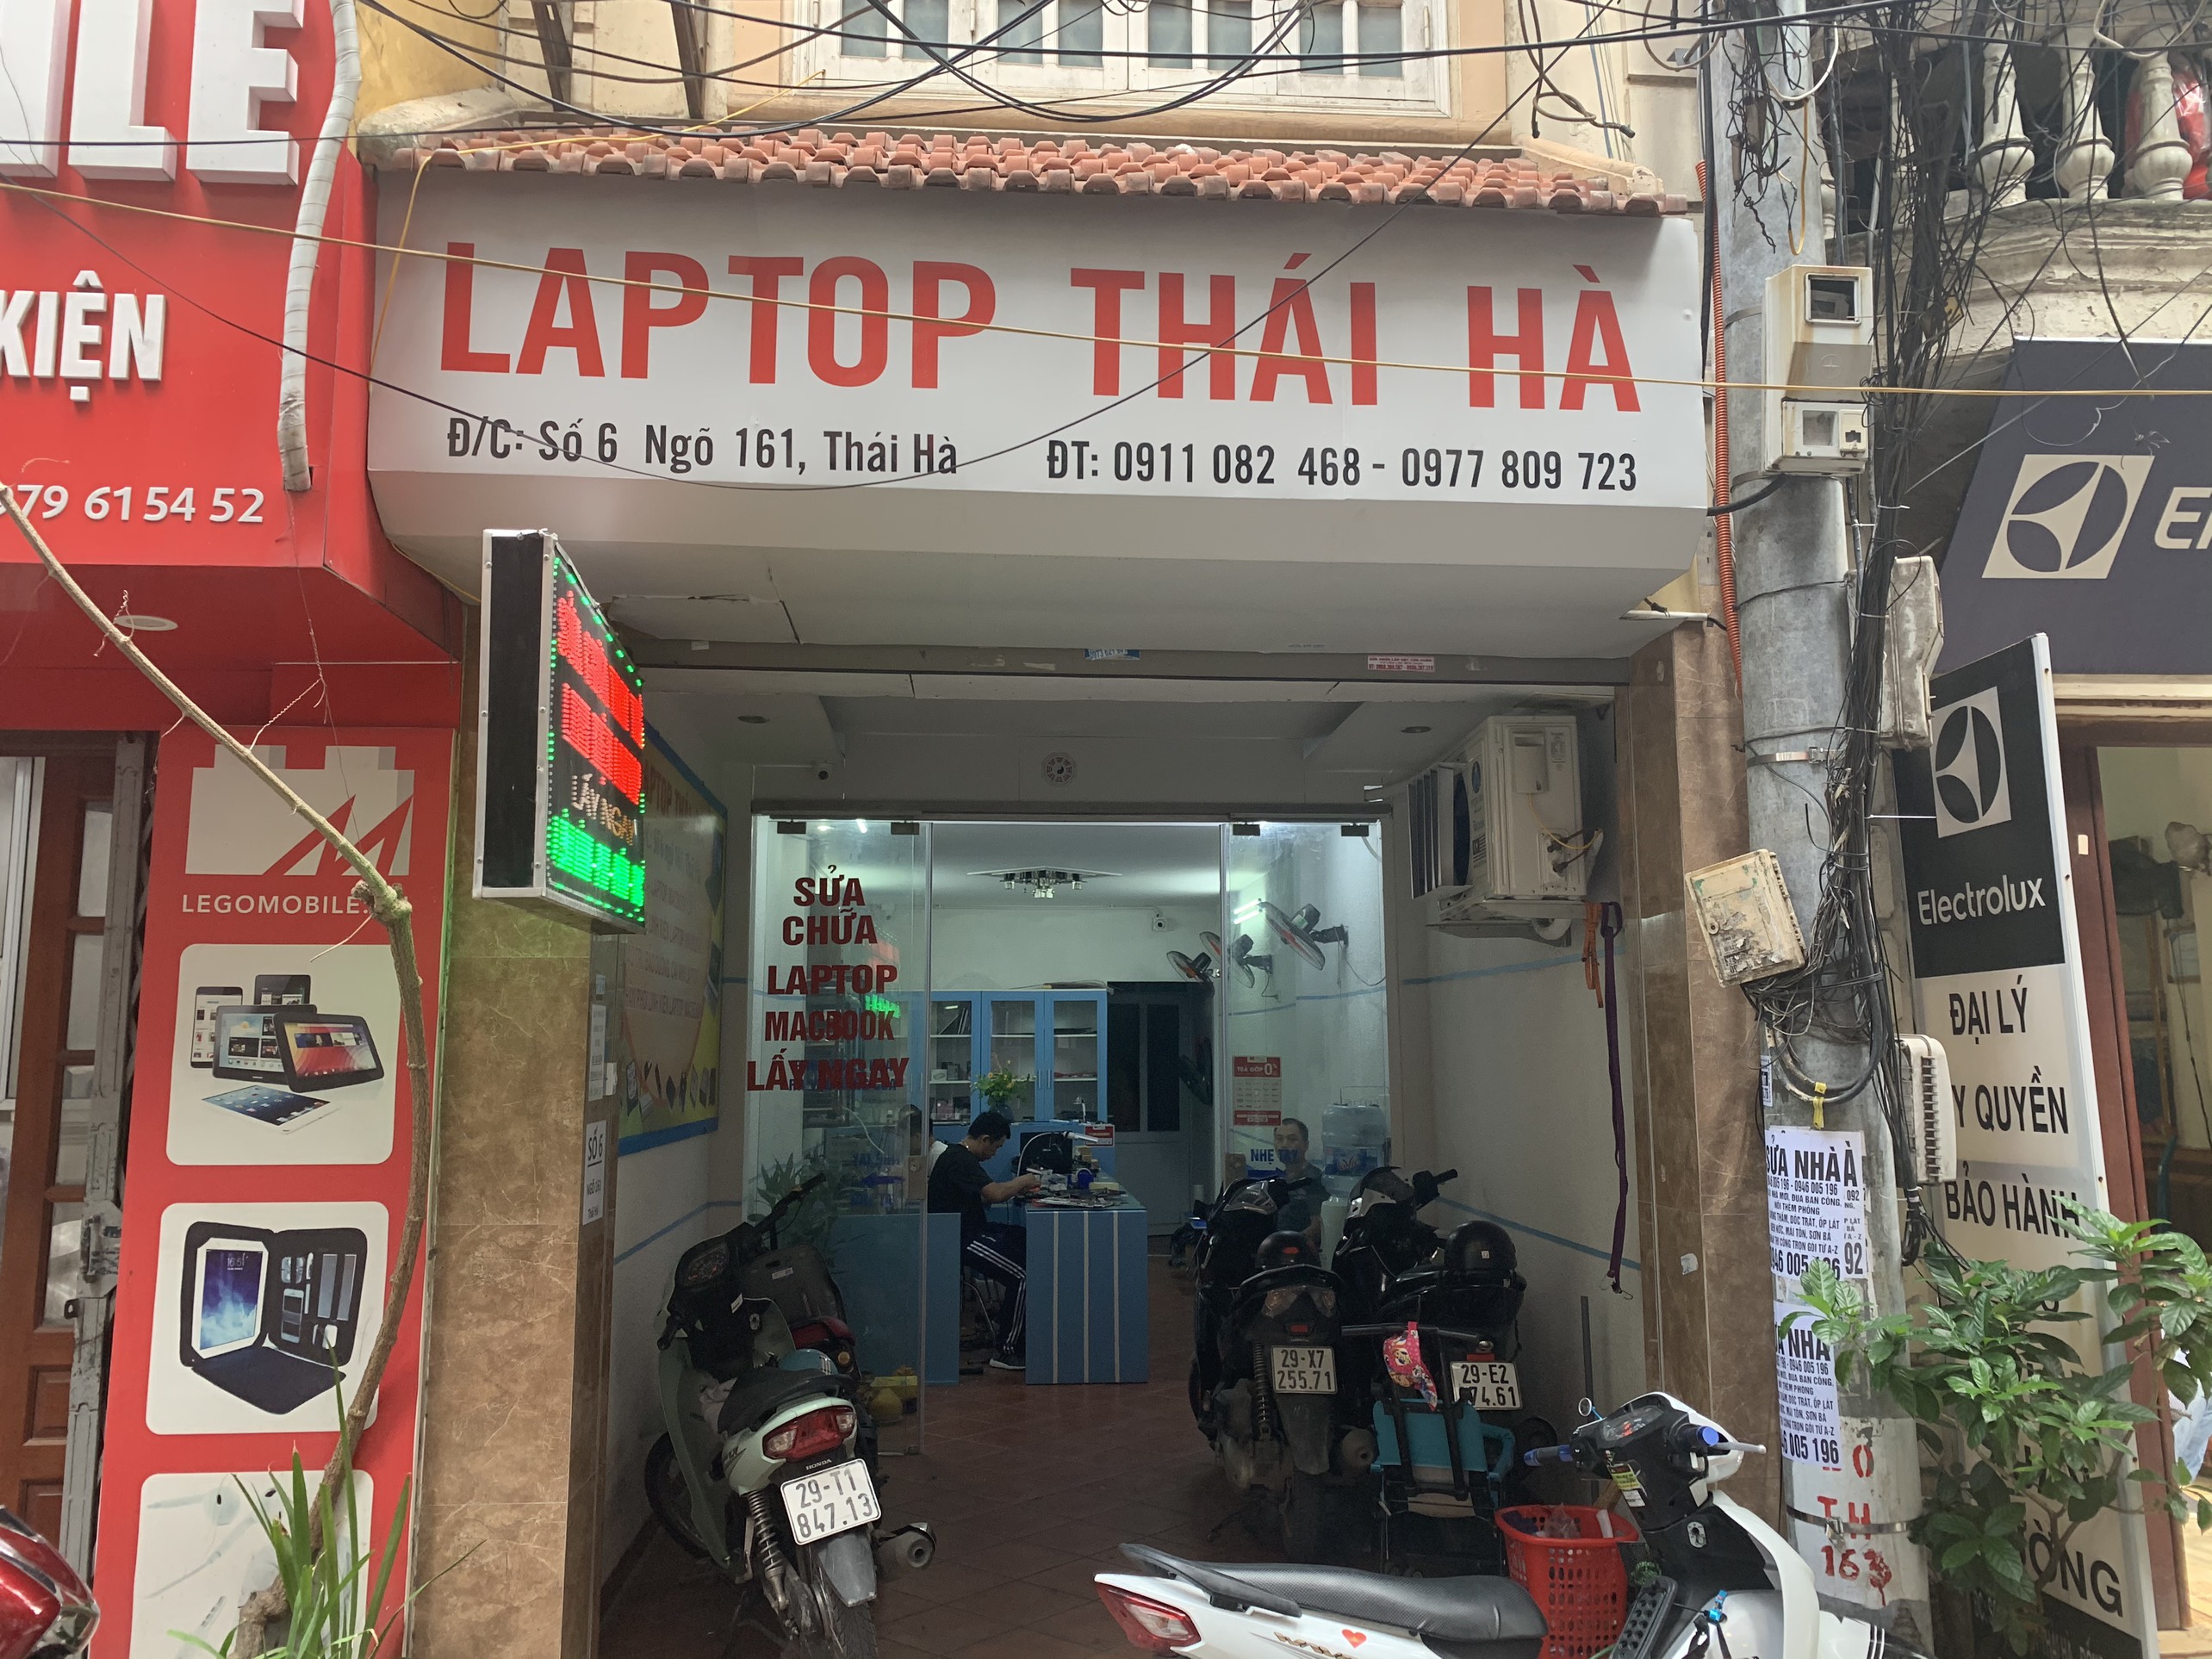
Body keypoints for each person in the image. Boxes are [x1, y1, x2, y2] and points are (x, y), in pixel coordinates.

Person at [928, 1110, 1042, 1370]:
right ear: (985, 1140)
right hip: (962, 1239)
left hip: (973, 1230)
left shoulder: (959, 1157)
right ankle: (1006, 1351)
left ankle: (1010, 1319)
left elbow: (980, 1196)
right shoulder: (960, 1159)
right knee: (1024, 1274)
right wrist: (1023, 1180)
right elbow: (995, 1194)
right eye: (996, 1147)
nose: (995, 1153)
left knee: (1028, 1241)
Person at [1271, 1117, 1331, 1246]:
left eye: (1292, 1139)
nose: (1284, 1145)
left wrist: (1287, 1245)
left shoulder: (1314, 1180)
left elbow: (1318, 1227)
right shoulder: (1277, 1180)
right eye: (1279, 1139)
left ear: (1305, 1145)